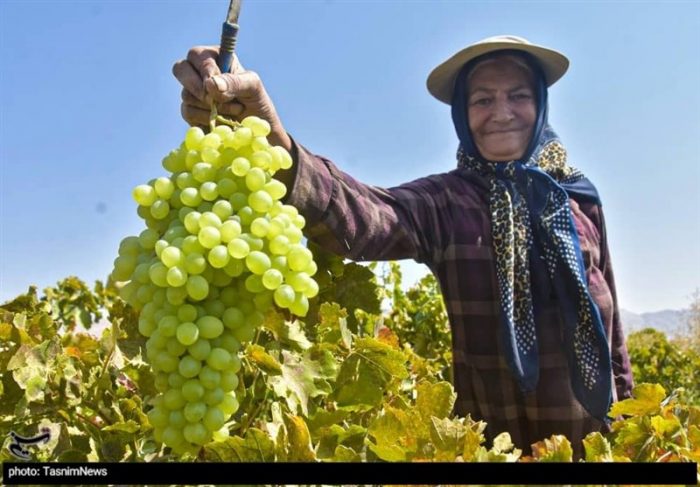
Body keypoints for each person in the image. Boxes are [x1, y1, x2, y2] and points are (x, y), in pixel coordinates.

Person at [173, 34, 634, 457]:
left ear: (541, 104)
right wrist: (273, 136)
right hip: (493, 451)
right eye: (482, 99)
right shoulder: (447, 201)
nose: (502, 112)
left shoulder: (578, 200)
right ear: (461, 113)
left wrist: (632, 427)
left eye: (518, 95)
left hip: (592, 449)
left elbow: (612, 342)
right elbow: (364, 215)